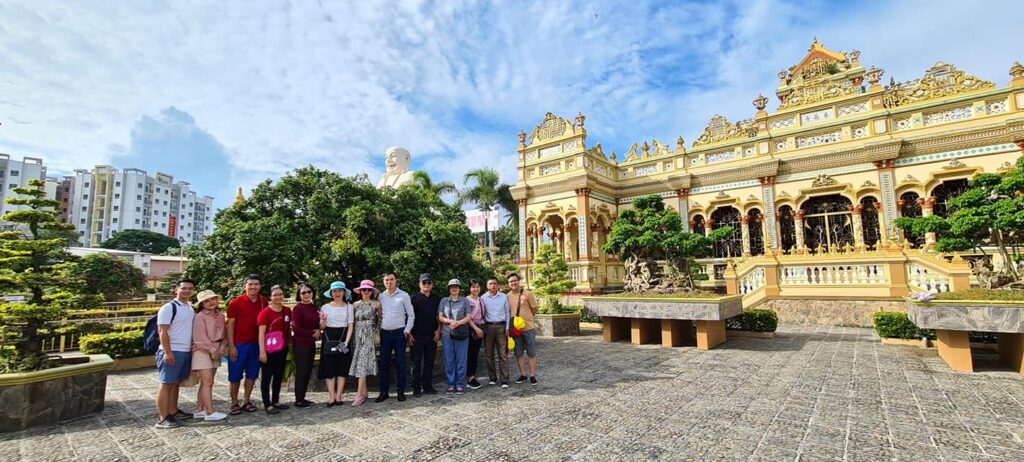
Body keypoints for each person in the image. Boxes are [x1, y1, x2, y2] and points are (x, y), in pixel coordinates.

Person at [154, 278, 197, 429]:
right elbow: (162, 331)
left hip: (185, 351)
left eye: (190, 288)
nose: (186, 291)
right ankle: (163, 417)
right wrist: (167, 352)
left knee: (176, 383)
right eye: (184, 288)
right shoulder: (169, 307)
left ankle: (173, 411)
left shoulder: (190, 307)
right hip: (172, 350)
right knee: (166, 384)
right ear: (176, 289)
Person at [226, 274, 266, 415]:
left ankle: (246, 400)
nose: (253, 287)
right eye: (251, 284)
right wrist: (231, 345)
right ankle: (234, 402)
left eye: (256, 284)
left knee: (252, 374)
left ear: (260, 286)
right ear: (245, 286)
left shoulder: (264, 302)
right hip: (239, 344)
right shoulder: (235, 303)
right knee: (235, 376)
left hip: (256, 344)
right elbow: (230, 325)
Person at [376, 271, 415, 403]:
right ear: (383, 282)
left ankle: (400, 392)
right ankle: (384, 392)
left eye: (391, 280)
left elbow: (411, 315)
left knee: (401, 363)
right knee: (384, 364)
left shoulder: (404, 295)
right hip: (385, 333)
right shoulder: (381, 296)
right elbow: (379, 315)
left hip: (399, 333)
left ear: (396, 280)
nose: (389, 282)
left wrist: (407, 330)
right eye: (386, 280)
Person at [191, 289, 227, 422]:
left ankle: (199, 409)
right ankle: (210, 412)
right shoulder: (200, 316)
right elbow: (199, 338)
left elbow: (224, 335)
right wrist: (213, 350)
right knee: (207, 382)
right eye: (206, 301)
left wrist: (222, 347)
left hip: (216, 350)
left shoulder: (221, 315)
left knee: (206, 383)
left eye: (212, 299)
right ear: (201, 304)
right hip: (202, 351)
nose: (210, 302)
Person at [318, 281, 354, 406]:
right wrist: (323, 321)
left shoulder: (349, 307)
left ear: (344, 293)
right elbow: (322, 327)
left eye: (340, 291)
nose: (337, 293)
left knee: (342, 367)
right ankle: (331, 396)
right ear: (331, 293)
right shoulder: (325, 307)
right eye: (334, 291)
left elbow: (350, 326)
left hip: (343, 339)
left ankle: (339, 396)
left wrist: (346, 342)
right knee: (329, 368)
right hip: (329, 339)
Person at [257, 285, 292, 414]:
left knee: (278, 375)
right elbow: (261, 333)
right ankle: (267, 404)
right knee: (266, 377)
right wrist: (262, 350)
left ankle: (275, 400)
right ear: (270, 297)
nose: (278, 297)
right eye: (275, 295)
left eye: (280, 294)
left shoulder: (287, 311)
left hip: (281, 348)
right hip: (268, 349)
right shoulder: (265, 313)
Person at [349, 279, 381, 406]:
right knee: (359, 361)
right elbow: (351, 322)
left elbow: (380, 320)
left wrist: (376, 335)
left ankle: (359, 394)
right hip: (357, 335)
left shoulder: (376, 304)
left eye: (368, 290)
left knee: (362, 362)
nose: (366, 292)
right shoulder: (355, 305)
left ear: (372, 291)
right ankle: (364, 390)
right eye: (364, 289)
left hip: (368, 335)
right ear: (360, 291)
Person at [409, 273, 440, 397]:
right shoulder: (413, 299)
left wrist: (438, 330)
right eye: (424, 282)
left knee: (430, 362)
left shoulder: (437, 298)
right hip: (416, 335)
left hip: (432, 335)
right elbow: (408, 317)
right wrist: (409, 333)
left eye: (429, 282)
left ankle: (427, 386)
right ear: (419, 284)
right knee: (416, 363)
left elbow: (440, 316)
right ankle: (416, 387)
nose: (426, 285)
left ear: (432, 284)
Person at [438, 279, 472, 395]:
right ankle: (451, 384)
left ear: (459, 288)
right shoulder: (444, 301)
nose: (454, 288)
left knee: (461, 360)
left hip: (461, 334)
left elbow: (468, 316)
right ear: (449, 288)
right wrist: (450, 321)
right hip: (447, 334)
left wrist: (458, 323)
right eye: (452, 286)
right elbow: (440, 317)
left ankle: (460, 384)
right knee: (449, 360)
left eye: (456, 286)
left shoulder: (465, 301)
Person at [290, 283, 320, 408]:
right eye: (303, 292)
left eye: (309, 291)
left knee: (308, 370)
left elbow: (317, 323)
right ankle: (298, 399)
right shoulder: (298, 308)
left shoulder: (314, 307)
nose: (307, 294)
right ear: (299, 295)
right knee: (302, 371)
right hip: (301, 343)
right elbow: (296, 327)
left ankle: (303, 397)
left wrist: (318, 330)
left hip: (311, 343)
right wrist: (312, 333)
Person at [507, 273, 540, 385]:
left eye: (515, 280)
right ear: (508, 284)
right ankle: (523, 374)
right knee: (518, 352)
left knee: (531, 352)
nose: (513, 283)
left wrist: (528, 318)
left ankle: (532, 375)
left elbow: (534, 308)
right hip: (515, 329)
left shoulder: (527, 294)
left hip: (528, 327)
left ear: (519, 281)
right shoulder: (507, 296)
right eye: (511, 281)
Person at [481, 277, 511, 388]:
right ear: (487, 285)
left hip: (501, 327)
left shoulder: (504, 296)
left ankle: (504, 380)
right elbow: (481, 314)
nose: (493, 285)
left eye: (495, 283)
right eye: (490, 283)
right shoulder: (482, 298)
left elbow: (508, 313)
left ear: (498, 285)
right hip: (488, 328)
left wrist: (507, 327)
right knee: (489, 354)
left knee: (503, 354)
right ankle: (492, 378)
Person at [465, 280, 486, 390]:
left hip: (480, 328)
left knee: (475, 353)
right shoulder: (466, 300)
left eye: (477, 287)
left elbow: (483, 315)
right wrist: (476, 328)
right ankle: (469, 379)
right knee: (470, 354)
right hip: (470, 329)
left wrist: (481, 328)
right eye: (473, 287)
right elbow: (467, 317)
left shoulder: (481, 300)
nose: (476, 289)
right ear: (470, 288)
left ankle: (472, 377)